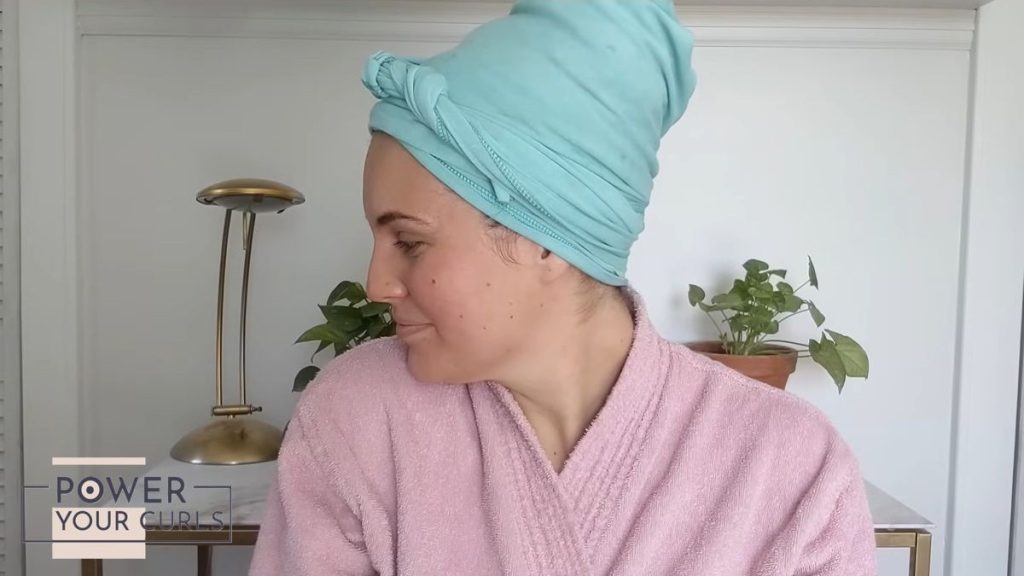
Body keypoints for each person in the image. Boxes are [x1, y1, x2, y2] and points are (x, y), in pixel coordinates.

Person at [249, 1, 878, 574]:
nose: (377, 283)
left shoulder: (790, 468)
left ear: (546, 238)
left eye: (409, 243)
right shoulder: (357, 419)